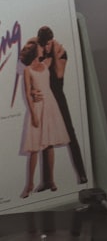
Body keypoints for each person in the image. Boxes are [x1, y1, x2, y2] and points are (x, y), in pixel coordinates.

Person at [36, 26, 88, 187]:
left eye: (49, 43)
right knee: (45, 138)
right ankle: (47, 181)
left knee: (71, 135)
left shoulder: (61, 52)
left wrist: (55, 54)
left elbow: (59, 74)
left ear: (53, 41)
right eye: (44, 44)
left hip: (58, 97)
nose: (47, 47)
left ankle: (82, 174)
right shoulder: (40, 55)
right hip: (44, 98)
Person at [18, 41, 70, 198]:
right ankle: (29, 184)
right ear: (35, 50)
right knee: (34, 148)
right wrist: (33, 113)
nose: (43, 48)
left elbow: (58, 52)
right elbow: (27, 93)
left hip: (50, 106)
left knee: (49, 145)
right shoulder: (27, 70)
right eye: (40, 47)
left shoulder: (46, 63)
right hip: (37, 107)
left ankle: (51, 180)